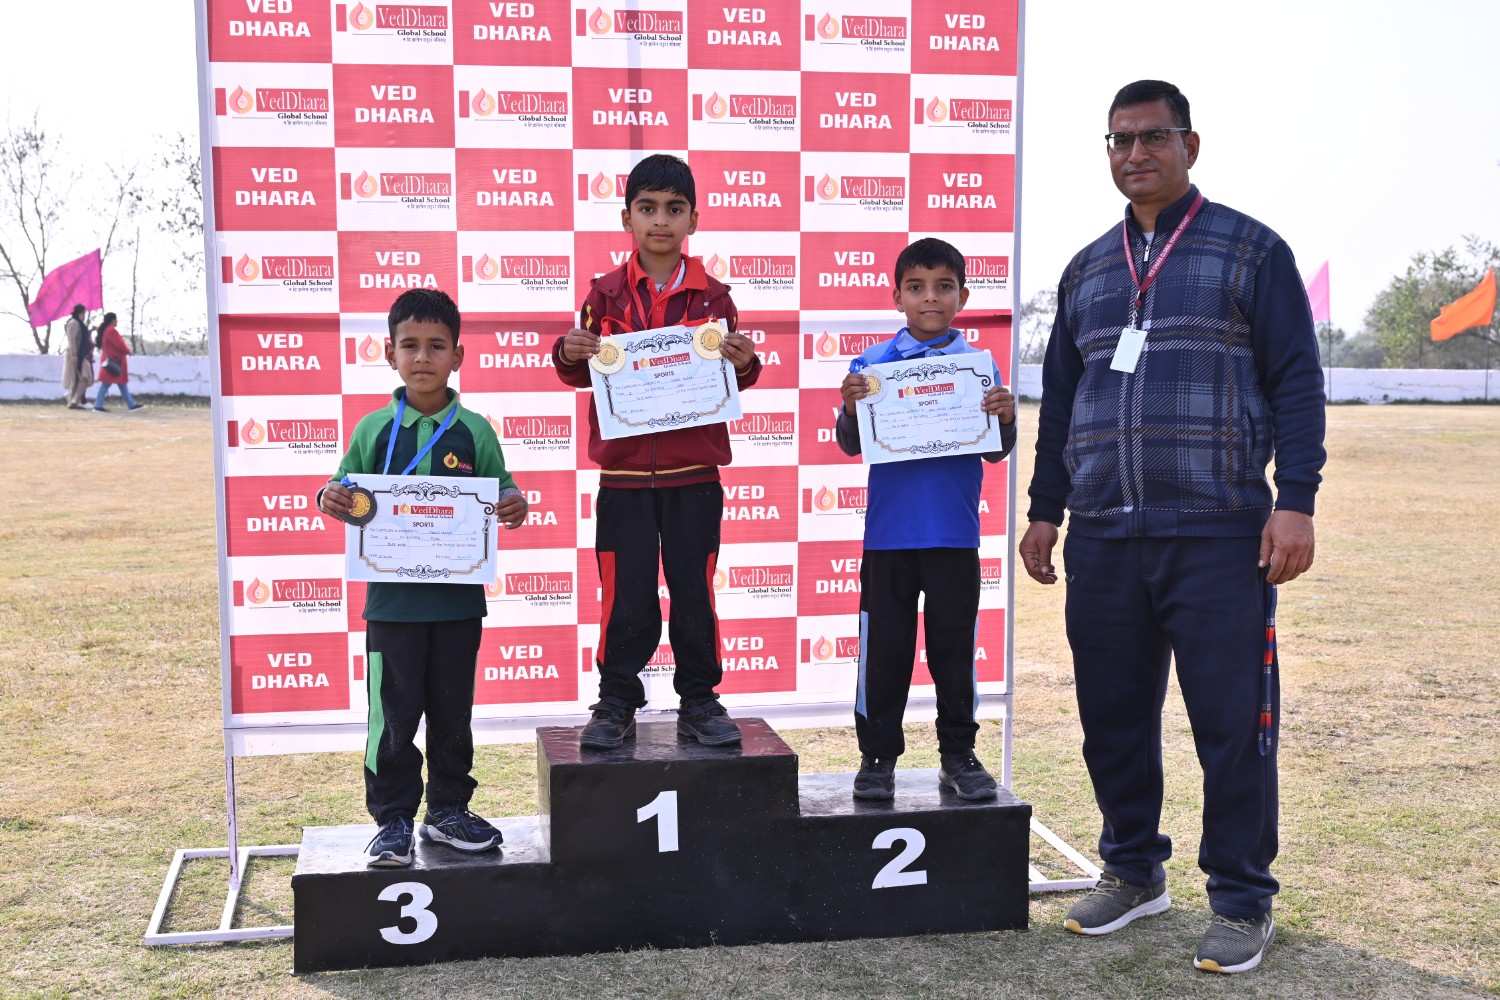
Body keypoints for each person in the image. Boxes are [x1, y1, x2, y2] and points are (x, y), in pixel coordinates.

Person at [1019, 80, 1325, 974]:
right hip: (1105, 533)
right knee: (1111, 717)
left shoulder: (1251, 250)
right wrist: (1045, 510)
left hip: (1219, 532)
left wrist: (1296, 499)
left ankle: (1241, 897)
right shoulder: (1087, 269)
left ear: (1191, 145)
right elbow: (1062, 401)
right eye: (1119, 140)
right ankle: (1132, 870)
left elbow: (1297, 381)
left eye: (1153, 137)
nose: (1135, 154)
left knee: (1232, 725)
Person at [551, 153, 761, 750]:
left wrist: (747, 364)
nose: (660, 220)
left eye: (674, 209)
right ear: (628, 218)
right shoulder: (603, 295)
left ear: (694, 218)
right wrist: (569, 351)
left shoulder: (715, 298)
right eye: (648, 208)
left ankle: (700, 699)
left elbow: (730, 377)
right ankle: (616, 698)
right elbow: (579, 372)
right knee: (625, 596)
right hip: (622, 478)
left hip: (695, 476)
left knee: (694, 592)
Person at [316, 288, 530, 868]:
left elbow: (504, 490)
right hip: (392, 607)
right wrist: (329, 496)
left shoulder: (475, 431)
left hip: (458, 606)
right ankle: (392, 820)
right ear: (389, 353)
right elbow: (341, 488)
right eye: (409, 345)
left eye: (437, 346)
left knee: (452, 714)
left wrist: (515, 504)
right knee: (392, 717)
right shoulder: (372, 430)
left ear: (458, 356)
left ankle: (448, 810)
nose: (422, 357)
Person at [832, 238, 1018, 802]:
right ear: (897, 297)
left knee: (953, 652)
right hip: (888, 539)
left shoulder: (979, 368)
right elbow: (850, 444)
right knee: (884, 653)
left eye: (943, 287)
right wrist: (849, 408)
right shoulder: (871, 365)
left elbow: (996, 451)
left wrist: (1006, 418)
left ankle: (958, 755)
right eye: (916, 287)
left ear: (963, 296)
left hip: (954, 537)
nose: (930, 298)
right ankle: (877, 757)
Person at [93, 313, 144, 412]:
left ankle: (131, 404)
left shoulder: (105, 330)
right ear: (112, 320)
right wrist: (128, 351)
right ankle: (98, 406)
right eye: (116, 319)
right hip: (115, 361)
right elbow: (120, 344)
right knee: (111, 384)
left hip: (110, 361)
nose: (117, 321)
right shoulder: (111, 331)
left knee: (116, 383)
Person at [61, 304, 93, 409]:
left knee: (79, 378)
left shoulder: (79, 324)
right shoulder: (73, 323)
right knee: (84, 376)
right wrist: (74, 355)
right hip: (75, 354)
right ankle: (74, 399)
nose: (84, 316)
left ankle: (73, 400)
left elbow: (82, 338)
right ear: (80, 313)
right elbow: (72, 340)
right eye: (83, 313)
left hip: (81, 354)